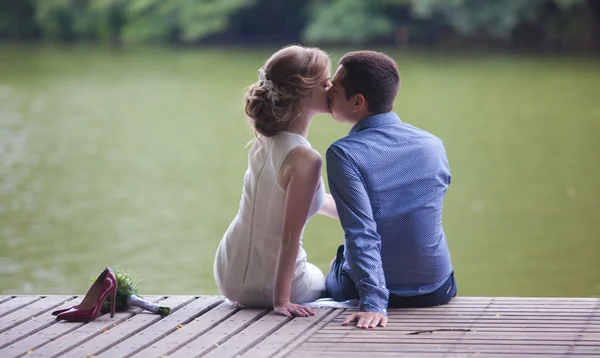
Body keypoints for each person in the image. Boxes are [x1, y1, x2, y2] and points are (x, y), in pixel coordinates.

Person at [325, 51, 457, 329]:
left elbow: (360, 231)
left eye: (334, 88)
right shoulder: (432, 144)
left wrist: (373, 303)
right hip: (438, 289)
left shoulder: (344, 153)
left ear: (357, 101)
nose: (327, 91)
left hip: (380, 295)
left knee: (335, 265)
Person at [213, 45, 339, 318]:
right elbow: (289, 236)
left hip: (228, 275)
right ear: (302, 93)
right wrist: (281, 301)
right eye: (325, 83)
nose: (333, 88)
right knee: (329, 278)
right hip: (275, 287)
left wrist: (368, 213)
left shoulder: (263, 140)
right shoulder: (306, 158)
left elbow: (309, 203)